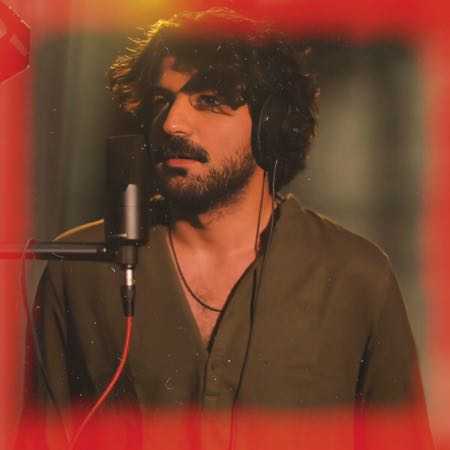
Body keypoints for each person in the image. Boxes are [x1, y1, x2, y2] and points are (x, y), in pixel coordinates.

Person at [20, 7, 433, 450]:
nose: (172, 123)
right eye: (162, 101)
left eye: (210, 100)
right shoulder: (79, 269)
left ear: (270, 128)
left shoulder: (357, 277)